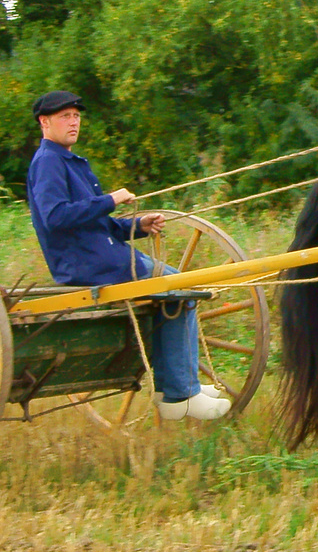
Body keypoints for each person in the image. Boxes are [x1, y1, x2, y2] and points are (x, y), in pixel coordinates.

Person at [25, 90, 230, 421]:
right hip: (89, 266)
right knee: (179, 289)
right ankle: (181, 394)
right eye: (65, 116)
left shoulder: (71, 162)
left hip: (105, 257)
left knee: (179, 287)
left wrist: (137, 225)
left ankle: (179, 386)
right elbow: (55, 217)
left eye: (77, 115)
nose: (74, 121)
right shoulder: (49, 162)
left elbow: (95, 224)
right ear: (44, 122)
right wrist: (110, 199)